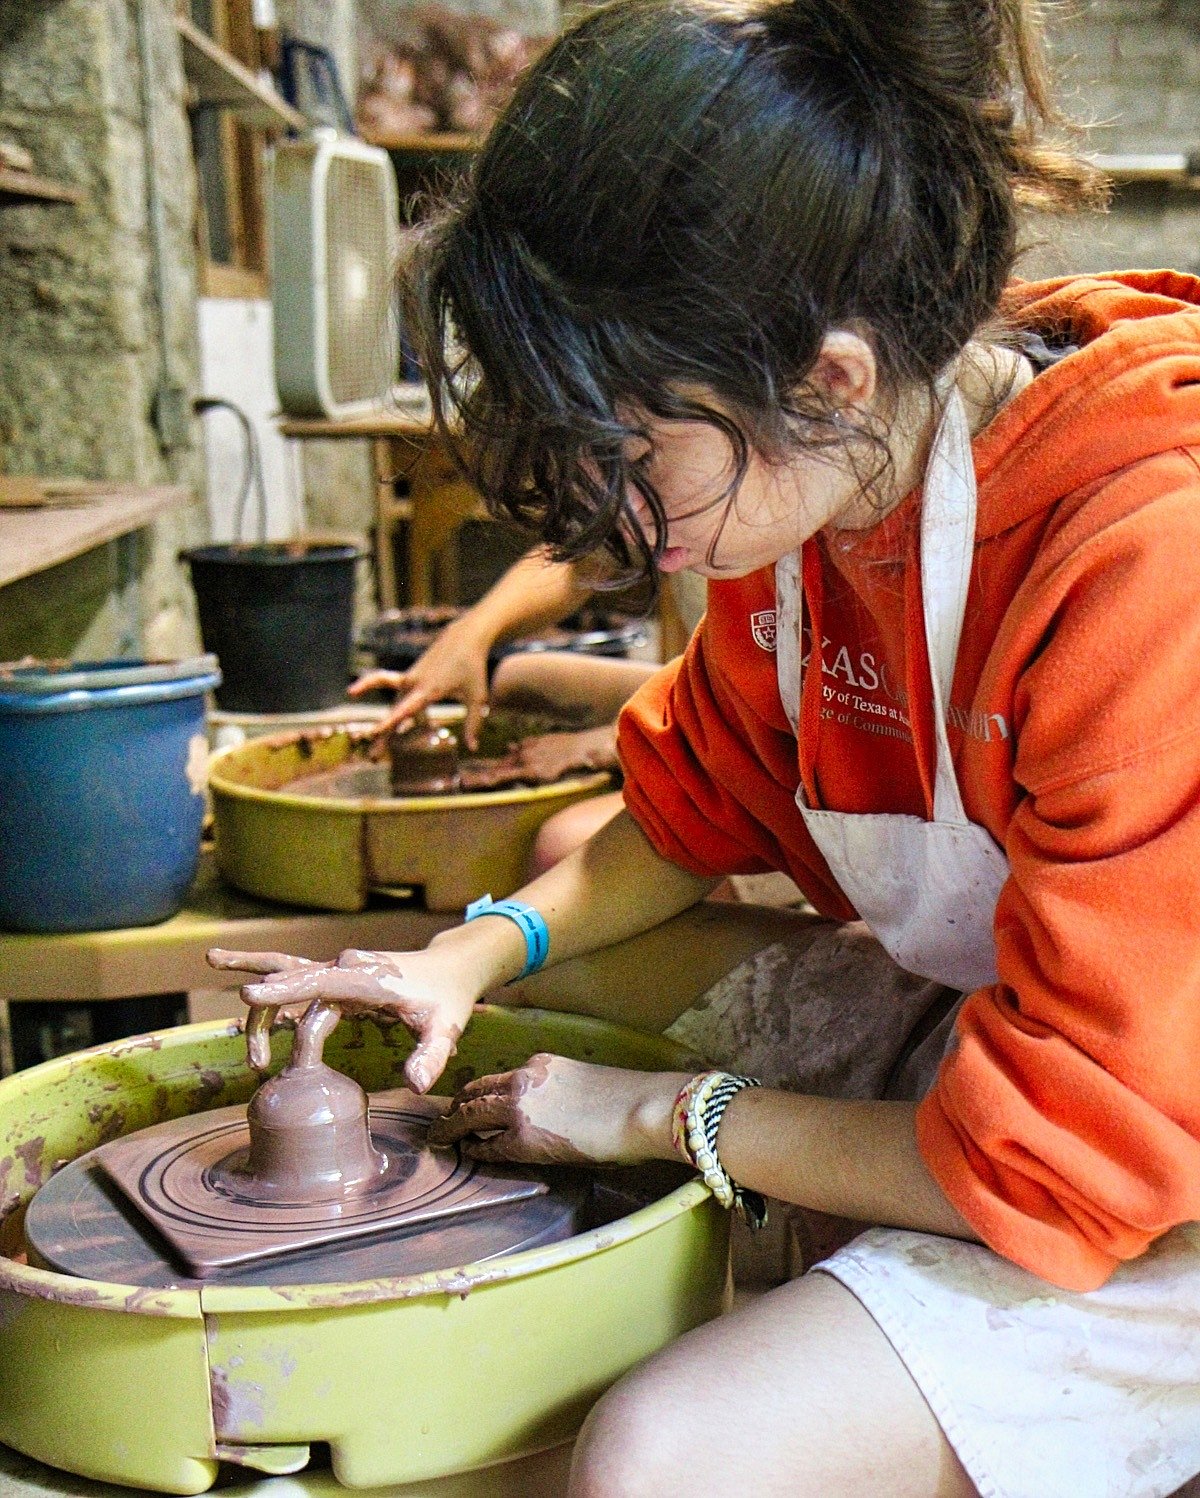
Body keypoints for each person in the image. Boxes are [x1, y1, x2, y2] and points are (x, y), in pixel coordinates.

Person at [209, 0, 1200, 1492]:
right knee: (556, 913)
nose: (607, 516)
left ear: (832, 376)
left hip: (1148, 1173)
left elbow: (1068, 1156)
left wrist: (670, 1119)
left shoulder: (1142, 556)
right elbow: (684, 811)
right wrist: (467, 955)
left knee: (661, 1452)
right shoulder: (809, 496)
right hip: (1040, 1038)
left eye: (623, 453)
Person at [352, 546, 709, 870]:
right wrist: (468, 636)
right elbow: (582, 558)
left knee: (561, 844)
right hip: (707, 682)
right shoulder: (657, 488)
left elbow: (759, 700)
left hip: (750, 716)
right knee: (517, 680)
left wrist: (606, 741)